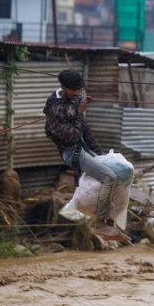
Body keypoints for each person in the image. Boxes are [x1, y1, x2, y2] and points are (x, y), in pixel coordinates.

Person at [43, 69, 129, 241]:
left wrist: (100, 154)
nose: (77, 93)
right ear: (63, 87)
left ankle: (110, 221)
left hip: (84, 149)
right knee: (109, 178)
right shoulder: (55, 109)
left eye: (79, 90)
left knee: (119, 171)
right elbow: (73, 136)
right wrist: (80, 111)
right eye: (74, 90)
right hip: (72, 153)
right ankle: (100, 223)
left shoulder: (72, 101)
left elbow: (86, 132)